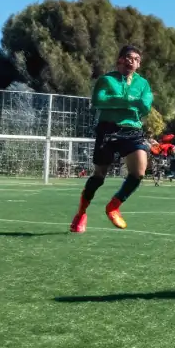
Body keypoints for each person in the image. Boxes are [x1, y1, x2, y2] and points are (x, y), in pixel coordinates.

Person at [69, 44, 153, 232]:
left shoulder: (143, 84)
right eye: (130, 57)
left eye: (137, 59)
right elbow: (99, 100)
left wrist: (119, 102)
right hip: (107, 130)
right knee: (99, 176)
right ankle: (81, 213)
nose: (133, 61)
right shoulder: (106, 80)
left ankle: (114, 206)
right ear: (120, 60)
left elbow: (145, 106)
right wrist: (129, 101)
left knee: (139, 172)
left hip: (132, 130)